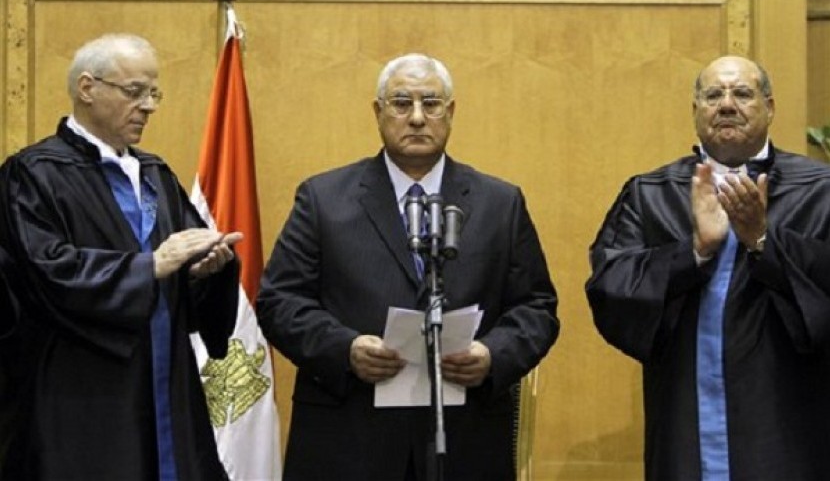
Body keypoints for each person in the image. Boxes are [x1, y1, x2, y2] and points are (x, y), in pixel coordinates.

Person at [256, 53, 559, 480]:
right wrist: (344, 349)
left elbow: (536, 308)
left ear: (450, 112)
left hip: (464, 440)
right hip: (349, 439)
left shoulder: (499, 203)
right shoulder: (323, 199)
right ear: (378, 112)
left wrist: (493, 354)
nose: (417, 117)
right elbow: (279, 301)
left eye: (431, 104)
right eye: (401, 103)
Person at [0, 33, 243, 480]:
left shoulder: (155, 174)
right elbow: (46, 274)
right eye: (135, 92)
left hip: (168, 385)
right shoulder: (33, 175)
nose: (148, 105)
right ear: (87, 88)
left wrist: (208, 272)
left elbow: (186, 271)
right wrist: (148, 266)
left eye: (154, 93)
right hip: (79, 397)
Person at [586, 55, 830, 480]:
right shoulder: (650, 194)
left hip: (788, 422)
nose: (727, 104)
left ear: (770, 107)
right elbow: (611, 289)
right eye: (713, 95)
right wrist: (695, 251)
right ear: (696, 111)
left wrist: (764, 241)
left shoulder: (820, 190)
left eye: (742, 93)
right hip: (685, 418)